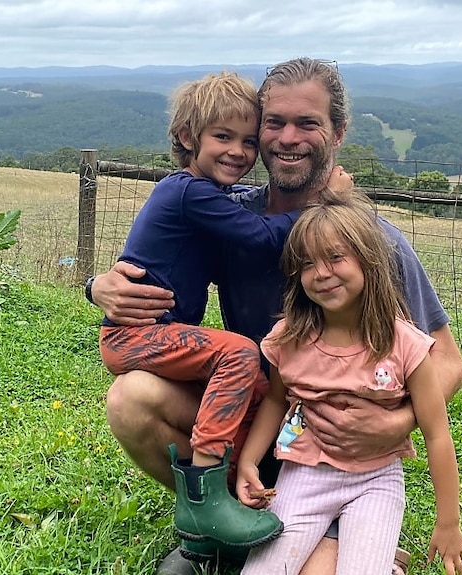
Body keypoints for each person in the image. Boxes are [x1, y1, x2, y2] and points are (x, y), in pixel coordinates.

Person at [90, 57, 462, 574]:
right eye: (275, 123)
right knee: (132, 398)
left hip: (335, 448)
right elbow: (159, 252)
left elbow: (448, 361)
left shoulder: (372, 243)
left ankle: (334, 535)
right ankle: (214, 516)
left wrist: (394, 423)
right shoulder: (230, 215)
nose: (289, 138)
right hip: (259, 420)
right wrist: (97, 287)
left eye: (308, 123)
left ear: (337, 132)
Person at [97, 70, 353, 549]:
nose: (238, 151)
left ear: (337, 134)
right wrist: (98, 286)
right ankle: (208, 500)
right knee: (238, 353)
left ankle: (251, 500)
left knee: (254, 380)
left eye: (248, 140)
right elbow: (259, 236)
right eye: (223, 137)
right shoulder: (195, 194)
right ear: (186, 137)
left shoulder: (211, 199)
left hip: (328, 430)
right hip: (136, 335)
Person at [235, 193, 462, 575]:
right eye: (307, 264)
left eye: (336, 258)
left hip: (376, 481)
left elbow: (437, 434)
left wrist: (448, 522)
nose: (321, 273)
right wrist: (248, 460)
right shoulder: (289, 338)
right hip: (303, 475)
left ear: (369, 261)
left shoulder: (406, 344)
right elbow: (276, 401)